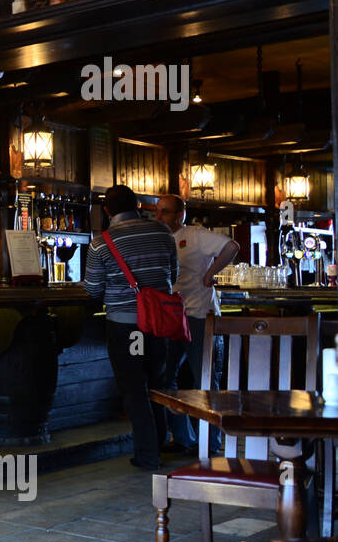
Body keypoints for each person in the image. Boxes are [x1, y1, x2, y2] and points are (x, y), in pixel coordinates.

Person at [83, 185, 179, 470]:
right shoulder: (163, 233)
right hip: (159, 323)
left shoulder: (101, 243)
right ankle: (159, 443)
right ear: (137, 206)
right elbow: (173, 275)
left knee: (135, 388)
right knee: (158, 384)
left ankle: (148, 455)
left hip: (127, 327)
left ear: (106, 210)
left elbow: (93, 289)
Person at [154, 194, 239, 454]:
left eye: (165, 212)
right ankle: (183, 438)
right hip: (171, 317)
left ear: (180, 215)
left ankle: (211, 443)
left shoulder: (195, 235)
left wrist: (211, 273)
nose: (158, 217)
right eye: (157, 211)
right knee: (166, 379)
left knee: (205, 380)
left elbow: (232, 246)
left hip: (200, 316)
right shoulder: (159, 239)